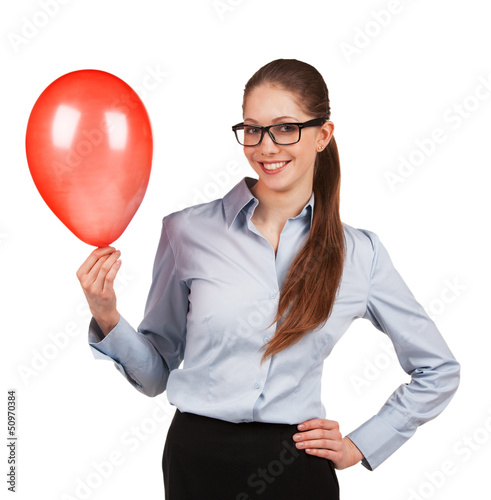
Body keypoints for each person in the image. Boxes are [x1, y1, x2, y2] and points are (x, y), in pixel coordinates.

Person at [76, 58, 460, 500]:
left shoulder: (361, 255)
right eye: (253, 129)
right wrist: (106, 315)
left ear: (323, 135)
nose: (266, 146)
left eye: (284, 128)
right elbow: (156, 375)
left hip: (296, 469)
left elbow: (439, 369)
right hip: (195, 464)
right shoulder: (186, 231)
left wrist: (362, 445)